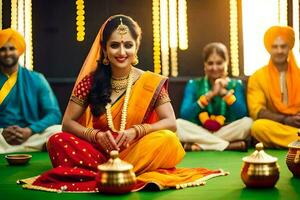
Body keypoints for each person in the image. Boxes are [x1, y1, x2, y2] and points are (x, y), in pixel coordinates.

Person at [20, 15, 226, 192]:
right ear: (104, 48)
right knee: (57, 139)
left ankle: (108, 171)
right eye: (114, 45)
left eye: (128, 45)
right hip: (98, 151)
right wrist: (97, 136)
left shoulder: (150, 81)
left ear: (136, 47)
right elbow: (68, 123)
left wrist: (136, 132)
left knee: (168, 140)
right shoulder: (90, 82)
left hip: (137, 148)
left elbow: (170, 122)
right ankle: (121, 170)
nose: (122, 52)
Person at [176, 42, 252, 151]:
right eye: (210, 63)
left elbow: (242, 113)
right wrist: (210, 94)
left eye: (219, 63)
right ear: (205, 65)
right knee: (178, 124)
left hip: (227, 130)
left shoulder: (235, 84)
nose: (214, 68)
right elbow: (185, 114)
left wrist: (224, 94)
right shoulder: (194, 84)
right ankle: (228, 146)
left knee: (247, 123)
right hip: (200, 130)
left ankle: (201, 146)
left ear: (227, 63)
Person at [0, 28, 62, 154]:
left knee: (58, 130)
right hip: (1, 136)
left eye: (12, 49)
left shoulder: (37, 79)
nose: (7, 53)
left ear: (19, 50)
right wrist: (3, 132)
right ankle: (32, 148)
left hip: (30, 135)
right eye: (2, 49)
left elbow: (54, 114)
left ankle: (15, 148)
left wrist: (30, 130)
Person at [248, 26, 300, 148]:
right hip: (278, 125)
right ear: (268, 49)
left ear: (290, 47)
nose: (279, 51)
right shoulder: (258, 76)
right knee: (258, 127)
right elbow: (257, 111)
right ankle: (295, 141)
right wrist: (285, 120)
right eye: (275, 47)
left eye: (283, 46)